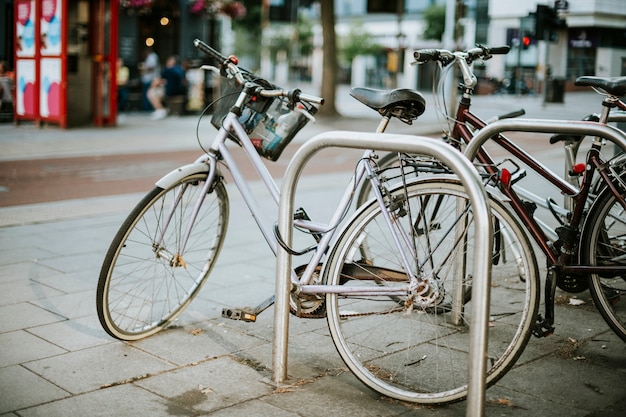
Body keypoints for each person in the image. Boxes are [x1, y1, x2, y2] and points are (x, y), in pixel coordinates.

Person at [147, 55, 187, 120]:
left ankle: (160, 109)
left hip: (169, 92)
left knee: (151, 92)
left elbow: (156, 82)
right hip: (181, 92)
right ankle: (163, 109)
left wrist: (153, 86)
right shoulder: (181, 70)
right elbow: (184, 82)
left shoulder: (167, 70)